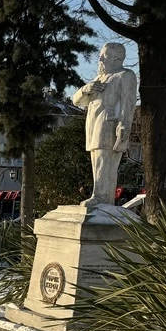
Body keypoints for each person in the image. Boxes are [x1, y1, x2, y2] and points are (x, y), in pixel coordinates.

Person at [71, 42, 138, 208]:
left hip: (109, 126)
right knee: (97, 164)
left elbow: (128, 103)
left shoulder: (125, 75)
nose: (100, 59)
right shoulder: (98, 79)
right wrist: (86, 89)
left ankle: (102, 198)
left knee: (104, 163)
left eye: (104, 55)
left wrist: (123, 126)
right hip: (94, 127)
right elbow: (76, 101)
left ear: (117, 58)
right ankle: (99, 196)